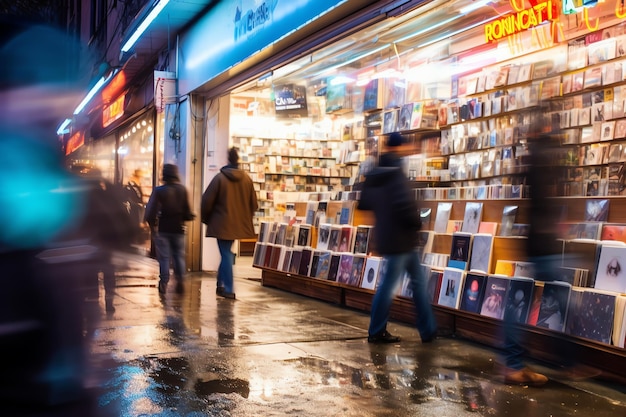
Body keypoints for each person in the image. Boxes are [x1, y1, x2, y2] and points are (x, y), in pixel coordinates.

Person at [358, 132, 437, 344]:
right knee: (393, 284)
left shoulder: (375, 171)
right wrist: (417, 223)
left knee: (415, 282)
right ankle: (377, 330)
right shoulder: (396, 172)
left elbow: (364, 202)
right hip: (402, 237)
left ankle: (428, 329)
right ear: (399, 147)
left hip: (389, 235)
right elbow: (405, 205)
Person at [201, 147, 258, 299]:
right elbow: (254, 204)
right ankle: (220, 284)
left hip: (221, 223)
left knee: (225, 253)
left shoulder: (220, 178)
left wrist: (206, 219)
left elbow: (206, 201)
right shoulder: (247, 179)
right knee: (226, 253)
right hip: (237, 224)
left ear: (228, 160)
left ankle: (229, 288)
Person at [144, 164, 195, 295]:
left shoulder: (159, 191)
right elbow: (188, 212)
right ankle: (180, 281)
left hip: (163, 229)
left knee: (164, 258)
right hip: (178, 228)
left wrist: (151, 225)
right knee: (179, 256)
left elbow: (150, 211)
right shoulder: (182, 190)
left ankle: (163, 283)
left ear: (164, 175)